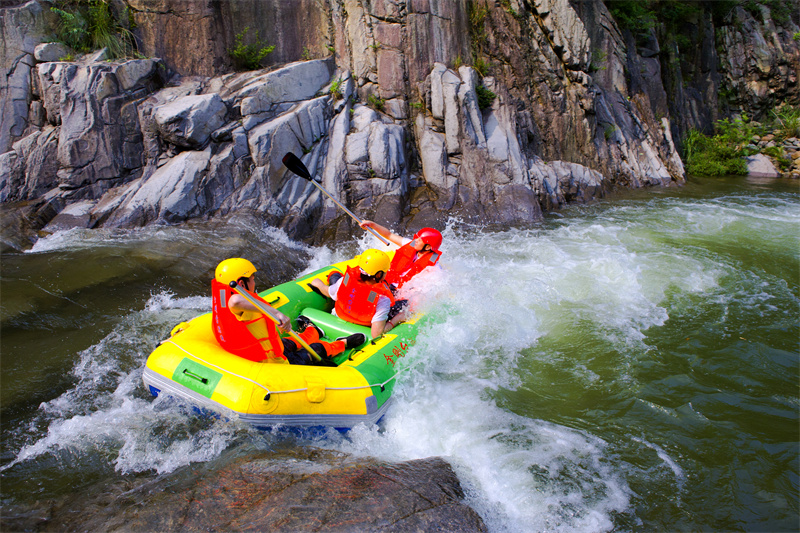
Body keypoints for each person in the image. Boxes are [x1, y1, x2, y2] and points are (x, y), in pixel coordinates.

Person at [212, 258, 364, 365]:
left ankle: (314, 331)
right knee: (316, 350)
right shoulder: (235, 303)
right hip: (273, 362)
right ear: (240, 283)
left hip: (268, 348)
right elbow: (235, 301)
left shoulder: (222, 299)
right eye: (252, 279)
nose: (254, 282)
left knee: (291, 342)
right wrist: (277, 314)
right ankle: (342, 343)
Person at [310, 249, 409, 339]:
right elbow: (377, 333)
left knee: (335, 276)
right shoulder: (382, 299)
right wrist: (397, 320)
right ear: (379, 274)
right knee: (405, 303)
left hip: (339, 315)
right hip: (363, 326)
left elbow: (328, 292)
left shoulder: (346, 280)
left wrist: (319, 284)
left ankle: (332, 274)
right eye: (385, 271)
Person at [359, 221, 442, 289]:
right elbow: (389, 235)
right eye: (417, 238)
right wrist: (372, 225)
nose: (415, 240)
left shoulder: (433, 268)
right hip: (387, 281)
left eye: (419, 240)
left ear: (427, 247)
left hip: (400, 292)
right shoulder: (411, 245)